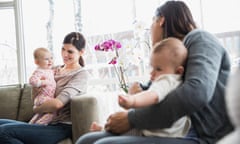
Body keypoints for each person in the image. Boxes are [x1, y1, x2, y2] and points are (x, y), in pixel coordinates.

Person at [76, 1, 234, 144]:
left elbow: (196, 92)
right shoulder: (174, 60)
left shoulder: (200, 38)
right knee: (87, 140)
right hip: (184, 134)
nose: (149, 31)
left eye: (151, 23)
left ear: (160, 20)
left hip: (206, 138)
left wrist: (132, 119)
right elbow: (163, 94)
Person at [90, 38, 191, 138]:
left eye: (158, 69)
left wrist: (132, 100)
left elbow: (153, 96)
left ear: (178, 71)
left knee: (125, 130)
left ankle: (104, 128)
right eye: (152, 67)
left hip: (154, 132)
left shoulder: (167, 80)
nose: (152, 73)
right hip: (173, 134)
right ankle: (103, 128)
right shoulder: (180, 84)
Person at [0, 32, 89, 144]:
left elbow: (57, 104)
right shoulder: (53, 69)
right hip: (42, 121)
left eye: (70, 51)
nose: (64, 54)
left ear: (81, 52)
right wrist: (36, 87)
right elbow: (36, 98)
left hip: (60, 126)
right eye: (63, 49)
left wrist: (36, 109)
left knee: (3, 132)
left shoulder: (80, 74)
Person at [28, 47, 56, 125]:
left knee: (40, 114)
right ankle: (39, 125)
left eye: (51, 58)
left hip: (46, 97)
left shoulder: (49, 70)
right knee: (53, 112)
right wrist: (43, 82)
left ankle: (30, 124)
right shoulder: (39, 71)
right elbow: (32, 80)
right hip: (43, 97)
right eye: (46, 59)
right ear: (37, 62)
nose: (50, 61)